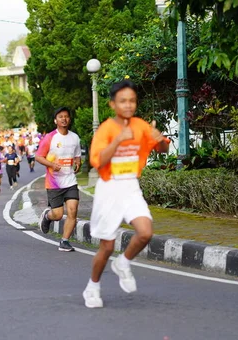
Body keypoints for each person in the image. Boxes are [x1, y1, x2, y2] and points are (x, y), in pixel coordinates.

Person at [82, 80, 169, 308]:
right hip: (109, 189)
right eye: (123, 101)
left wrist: (159, 140)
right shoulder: (106, 129)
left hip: (131, 187)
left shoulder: (141, 126)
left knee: (145, 232)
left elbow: (162, 149)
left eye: (132, 100)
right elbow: (97, 161)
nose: (128, 105)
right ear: (113, 104)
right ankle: (93, 286)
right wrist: (118, 140)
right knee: (107, 246)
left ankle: (123, 262)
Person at [36, 107, 82, 252]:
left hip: (70, 181)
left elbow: (77, 154)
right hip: (54, 182)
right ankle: (47, 216)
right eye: (60, 116)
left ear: (69, 119)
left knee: (73, 211)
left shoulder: (74, 137)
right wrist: (51, 165)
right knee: (58, 215)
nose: (64, 119)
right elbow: (38, 157)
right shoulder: (50, 137)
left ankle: (64, 241)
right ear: (55, 120)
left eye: (66, 116)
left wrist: (78, 162)